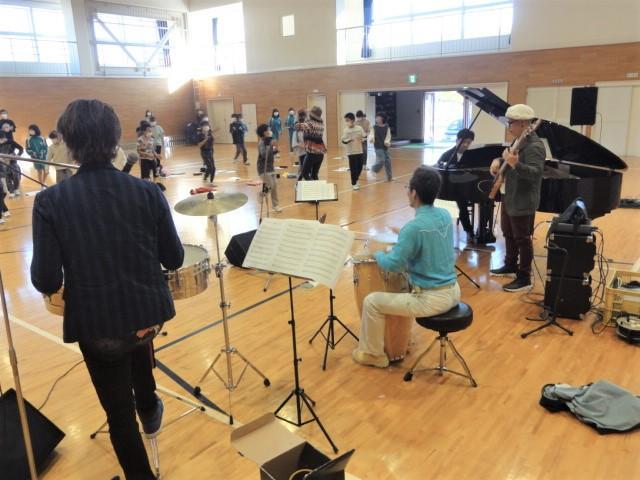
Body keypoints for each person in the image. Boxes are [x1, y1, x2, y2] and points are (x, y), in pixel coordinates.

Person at [30, 99, 184, 480]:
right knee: (136, 334)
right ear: (116, 140)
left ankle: (141, 454)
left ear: (68, 144)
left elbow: (46, 281)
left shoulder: (50, 201)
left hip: (99, 329)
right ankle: (148, 405)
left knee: (119, 414)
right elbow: (174, 258)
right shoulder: (148, 192)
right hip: (148, 315)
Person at [353, 166, 461, 368]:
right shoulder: (445, 215)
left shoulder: (414, 228)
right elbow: (427, 233)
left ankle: (373, 354)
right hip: (453, 292)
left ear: (414, 193)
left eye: (407, 189)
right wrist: (403, 232)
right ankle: (401, 339)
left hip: (432, 300)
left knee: (372, 302)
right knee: (405, 285)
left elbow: (394, 264)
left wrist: (377, 254)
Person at [489, 104, 545, 292]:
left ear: (522, 123)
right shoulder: (519, 140)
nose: (508, 126)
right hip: (510, 195)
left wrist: (516, 164)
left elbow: (535, 174)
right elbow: (509, 159)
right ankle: (510, 265)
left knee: (522, 239)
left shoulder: (535, 146)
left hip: (523, 199)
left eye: (510, 123)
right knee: (508, 233)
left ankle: (524, 277)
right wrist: (498, 161)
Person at [437, 129, 476, 240]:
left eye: (469, 143)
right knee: (462, 204)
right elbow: (439, 170)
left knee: (485, 202)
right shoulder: (447, 155)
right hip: (450, 189)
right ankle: (469, 231)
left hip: (469, 187)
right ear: (457, 140)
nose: (466, 145)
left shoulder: (472, 155)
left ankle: (483, 230)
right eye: (464, 142)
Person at [256, 124, 282, 213]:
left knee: (274, 186)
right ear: (264, 132)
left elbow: (270, 153)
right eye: (268, 130)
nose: (270, 131)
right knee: (270, 185)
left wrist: (276, 150)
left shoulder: (269, 140)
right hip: (263, 168)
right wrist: (269, 145)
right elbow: (264, 154)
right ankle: (261, 194)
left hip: (271, 167)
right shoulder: (262, 142)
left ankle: (275, 205)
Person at [297, 106, 327, 181]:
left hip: (312, 153)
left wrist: (301, 116)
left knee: (305, 173)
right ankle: (318, 188)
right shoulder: (321, 123)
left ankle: (312, 186)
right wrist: (307, 116)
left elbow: (298, 126)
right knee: (314, 175)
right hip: (320, 153)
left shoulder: (310, 124)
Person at [341, 112, 365, 190]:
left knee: (360, 167)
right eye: (346, 121)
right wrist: (349, 140)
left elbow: (364, 136)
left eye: (348, 120)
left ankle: (356, 179)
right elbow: (343, 140)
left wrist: (362, 139)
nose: (347, 122)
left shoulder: (359, 128)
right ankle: (354, 183)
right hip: (351, 152)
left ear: (353, 120)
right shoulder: (346, 130)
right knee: (353, 168)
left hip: (359, 151)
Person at [369, 113, 392, 181]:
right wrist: (371, 138)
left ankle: (389, 177)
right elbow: (371, 134)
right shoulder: (374, 127)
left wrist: (387, 142)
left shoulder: (387, 127)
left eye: (378, 117)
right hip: (378, 146)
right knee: (381, 160)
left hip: (385, 146)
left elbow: (388, 136)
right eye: (376, 117)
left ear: (382, 118)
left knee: (388, 162)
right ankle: (373, 169)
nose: (376, 119)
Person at [0, 130, 24, 197]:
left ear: (4, 137)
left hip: (12, 161)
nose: (1, 141)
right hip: (3, 163)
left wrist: (18, 155)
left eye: (2, 139)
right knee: (7, 177)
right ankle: (11, 191)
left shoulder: (11, 142)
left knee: (16, 175)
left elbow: (21, 148)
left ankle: (16, 189)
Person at [292, 109, 307, 176]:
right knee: (302, 166)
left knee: (304, 167)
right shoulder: (296, 133)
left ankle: (301, 177)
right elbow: (294, 144)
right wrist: (300, 145)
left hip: (307, 151)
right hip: (301, 152)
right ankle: (299, 177)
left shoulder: (306, 130)